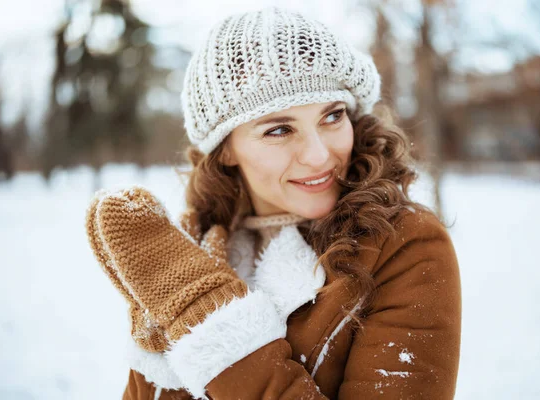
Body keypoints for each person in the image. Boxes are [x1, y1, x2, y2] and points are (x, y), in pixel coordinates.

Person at [86, 7, 462, 399]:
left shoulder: (402, 244)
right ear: (226, 148)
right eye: (280, 129)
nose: (318, 155)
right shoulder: (197, 251)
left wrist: (208, 315)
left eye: (332, 116)